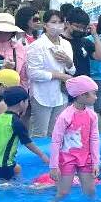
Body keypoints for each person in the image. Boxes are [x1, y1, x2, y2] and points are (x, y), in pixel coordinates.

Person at [47, 76, 101, 202]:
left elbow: (94, 139)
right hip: (67, 158)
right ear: (82, 95)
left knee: (91, 191)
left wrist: (96, 162)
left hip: (85, 158)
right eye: (94, 94)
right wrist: (53, 166)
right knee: (63, 192)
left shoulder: (91, 115)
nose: (96, 97)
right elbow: (56, 141)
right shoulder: (65, 116)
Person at [26, 9, 77, 137]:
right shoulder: (37, 46)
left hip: (61, 95)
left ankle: (54, 157)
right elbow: (33, 73)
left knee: (57, 132)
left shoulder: (66, 44)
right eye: (53, 22)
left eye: (60, 22)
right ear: (45, 25)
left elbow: (72, 70)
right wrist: (59, 76)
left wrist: (68, 62)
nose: (58, 25)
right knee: (40, 133)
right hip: (42, 94)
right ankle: (40, 156)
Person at [0, 87, 48, 180]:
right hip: (3, 161)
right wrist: (42, 155)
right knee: (7, 183)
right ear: (22, 103)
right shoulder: (16, 122)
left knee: (17, 169)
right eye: (27, 101)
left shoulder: (2, 116)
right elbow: (27, 142)